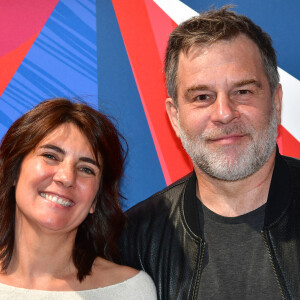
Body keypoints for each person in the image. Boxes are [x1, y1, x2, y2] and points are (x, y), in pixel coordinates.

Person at [119, 7, 300, 300]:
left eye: (243, 91)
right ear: (175, 117)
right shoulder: (133, 242)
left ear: (276, 103)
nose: (224, 114)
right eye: (202, 97)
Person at [0, 98, 157, 299]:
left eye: (86, 169)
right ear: (14, 172)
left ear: (95, 200)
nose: (66, 177)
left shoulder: (130, 291)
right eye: (51, 156)